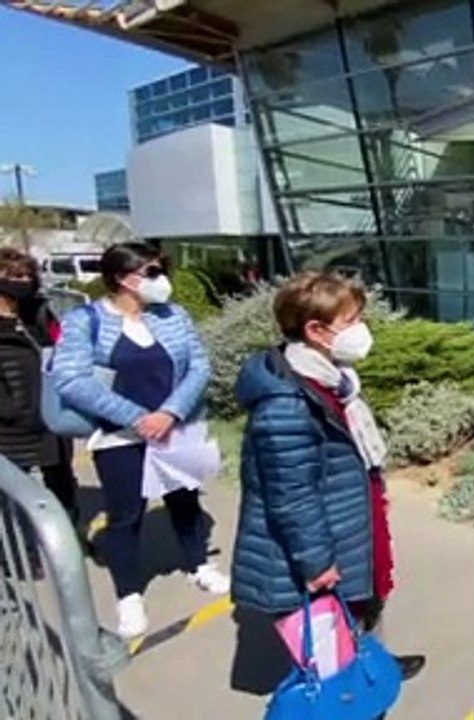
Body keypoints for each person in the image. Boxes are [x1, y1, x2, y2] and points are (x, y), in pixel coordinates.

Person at [231, 272, 425, 684]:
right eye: (351, 320)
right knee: (332, 634)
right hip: (323, 539)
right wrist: (316, 562)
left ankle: (374, 664)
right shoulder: (286, 404)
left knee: (363, 604)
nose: (361, 330)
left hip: (348, 520)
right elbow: (292, 495)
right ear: (316, 331)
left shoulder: (330, 378)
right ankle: (353, 691)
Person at [51, 242, 228, 639]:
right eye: (150, 272)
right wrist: (136, 418)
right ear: (120, 278)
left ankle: (199, 564)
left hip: (175, 427)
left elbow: (199, 365)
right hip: (120, 436)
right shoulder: (86, 320)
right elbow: (71, 379)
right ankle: (128, 594)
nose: (160, 279)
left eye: (161, 269)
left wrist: (171, 412)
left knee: (185, 499)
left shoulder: (173, 315)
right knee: (126, 515)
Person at [0, 248, 81, 529]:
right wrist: (9, 409)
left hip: (50, 414)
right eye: (13, 276)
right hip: (9, 426)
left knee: (61, 480)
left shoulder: (40, 313)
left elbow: (63, 348)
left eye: (27, 275)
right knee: (13, 489)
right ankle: (17, 550)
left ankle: (69, 538)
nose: (22, 281)